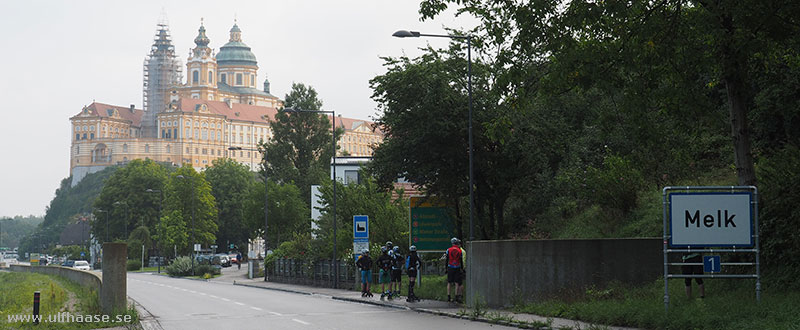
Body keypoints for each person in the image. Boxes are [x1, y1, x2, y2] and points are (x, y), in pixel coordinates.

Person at [445, 237, 464, 303]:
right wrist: (462, 268)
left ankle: (448, 296)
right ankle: (456, 296)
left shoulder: (448, 250)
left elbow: (447, 259)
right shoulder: (459, 250)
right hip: (457, 267)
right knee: (457, 282)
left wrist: (446, 268)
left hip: (450, 266)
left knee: (449, 282)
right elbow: (461, 260)